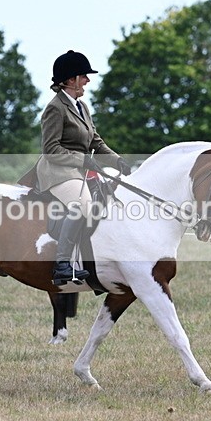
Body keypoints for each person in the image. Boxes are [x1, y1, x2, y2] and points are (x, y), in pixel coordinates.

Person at [36, 50, 132, 286]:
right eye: (84, 76)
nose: (88, 80)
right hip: (57, 171)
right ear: (70, 80)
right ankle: (62, 265)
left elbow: (95, 142)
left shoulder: (82, 107)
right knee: (81, 205)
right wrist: (82, 160)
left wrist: (117, 160)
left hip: (79, 170)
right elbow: (51, 149)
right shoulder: (55, 108)